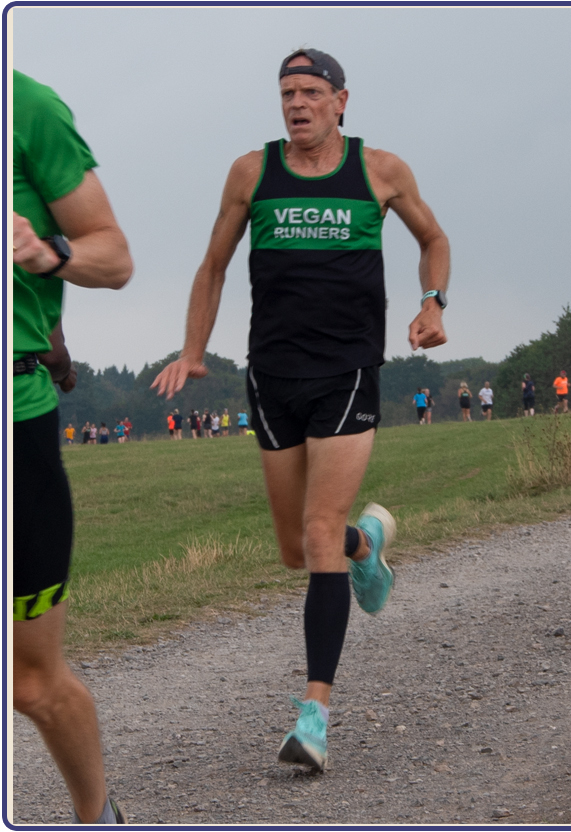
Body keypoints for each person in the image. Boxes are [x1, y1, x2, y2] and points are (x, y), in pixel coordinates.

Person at [150, 48, 447, 772]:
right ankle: (364, 545)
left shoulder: (380, 171)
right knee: (297, 548)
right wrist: (193, 350)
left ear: (342, 100)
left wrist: (432, 301)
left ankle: (314, 717)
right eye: (287, 92)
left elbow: (433, 239)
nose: (297, 103)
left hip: (345, 371)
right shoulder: (252, 174)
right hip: (271, 375)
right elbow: (214, 266)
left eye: (311, 91)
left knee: (315, 534)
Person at [12, 69, 134, 823]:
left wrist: (47, 252)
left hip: (12, 423)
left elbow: (114, 257)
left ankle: (97, 814)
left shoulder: (24, 105)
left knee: (29, 682)